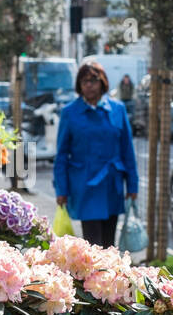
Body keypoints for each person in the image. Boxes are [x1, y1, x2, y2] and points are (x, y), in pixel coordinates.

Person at [54, 59, 139, 248]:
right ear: (79, 85)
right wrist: (61, 190)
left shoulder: (118, 109)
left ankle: (108, 278)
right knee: (93, 245)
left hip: (112, 184)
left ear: (103, 83)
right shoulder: (70, 112)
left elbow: (127, 149)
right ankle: (93, 277)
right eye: (85, 81)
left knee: (109, 245)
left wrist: (132, 185)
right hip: (85, 185)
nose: (89, 85)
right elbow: (61, 156)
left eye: (94, 80)